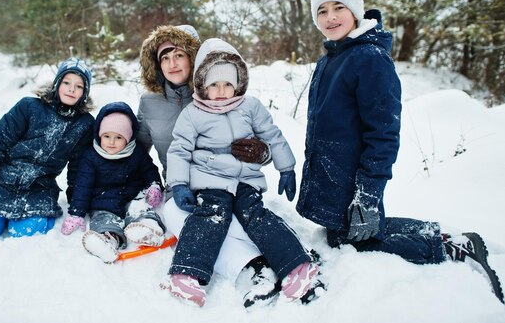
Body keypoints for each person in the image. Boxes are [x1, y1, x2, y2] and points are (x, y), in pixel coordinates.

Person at [296, 0, 504, 303]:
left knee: (355, 239)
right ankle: (435, 233)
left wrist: (368, 193)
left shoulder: (369, 58)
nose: (330, 17)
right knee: (339, 233)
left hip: (354, 175)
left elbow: (383, 132)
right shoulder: (330, 58)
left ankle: (447, 244)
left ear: (356, 13)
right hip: (333, 173)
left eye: (339, 7)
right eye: (322, 11)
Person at [159, 38, 323, 307]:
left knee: (255, 216)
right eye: (213, 84)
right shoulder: (193, 113)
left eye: (227, 83)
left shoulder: (250, 106)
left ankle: (297, 267)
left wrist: (286, 167)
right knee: (211, 216)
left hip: (245, 179)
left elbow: (272, 135)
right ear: (202, 85)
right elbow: (179, 150)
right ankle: (186, 274)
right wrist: (179, 184)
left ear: (238, 82)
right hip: (210, 180)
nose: (221, 91)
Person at [137, 25, 280, 309]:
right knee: (178, 217)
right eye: (164, 57)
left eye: (179, 55)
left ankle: (289, 255)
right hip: (180, 189)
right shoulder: (149, 102)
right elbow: (139, 153)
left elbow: (264, 141)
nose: (172, 63)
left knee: (235, 218)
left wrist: (261, 153)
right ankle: (253, 267)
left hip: (225, 182)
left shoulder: (217, 91)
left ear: (193, 57)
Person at [0, 57, 95, 245]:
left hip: (39, 189)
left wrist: (77, 198)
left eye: (79, 86)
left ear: (84, 92)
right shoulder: (29, 107)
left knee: (25, 237)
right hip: (2, 182)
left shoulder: (85, 124)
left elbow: (78, 166)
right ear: (57, 84)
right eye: (67, 82)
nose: (72, 89)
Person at [59, 101, 165, 264]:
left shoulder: (136, 152)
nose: (111, 142)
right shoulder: (91, 156)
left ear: (128, 138)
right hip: (103, 202)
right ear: (99, 135)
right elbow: (83, 186)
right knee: (104, 221)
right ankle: (108, 241)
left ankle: (148, 229)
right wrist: (77, 213)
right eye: (107, 136)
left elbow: (149, 170)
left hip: (133, 196)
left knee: (141, 210)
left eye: (118, 137)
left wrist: (154, 185)